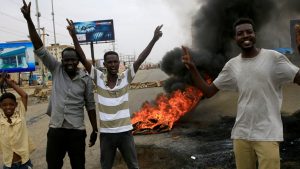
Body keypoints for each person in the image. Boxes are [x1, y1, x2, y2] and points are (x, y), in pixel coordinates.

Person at [181, 18, 300, 169]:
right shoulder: (232, 65)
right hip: (241, 134)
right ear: (235, 38)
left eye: (249, 32)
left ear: (254, 34)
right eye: (240, 33)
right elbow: (209, 91)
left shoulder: (273, 58)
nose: (245, 36)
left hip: (267, 134)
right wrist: (192, 68)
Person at [66, 19, 162, 169]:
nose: (112, 65)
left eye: (115, 62)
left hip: (125, 133)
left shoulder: (126, 78)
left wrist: (154, 39)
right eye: (109, 62)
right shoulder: (98, 78)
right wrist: (74, 37)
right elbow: (83, 58)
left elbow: (140, 59)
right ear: (104, 65)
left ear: (119, 63)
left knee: (133, 166)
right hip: (107, 135)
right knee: (106, 166)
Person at [21, 1, 98, 169]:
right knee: (53, 165)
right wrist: (28, 19)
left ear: (78, 61)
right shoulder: (56, 69)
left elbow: (90, 105)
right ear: (62, 60)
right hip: (56, 130)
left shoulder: (85, 79)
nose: (69, 62)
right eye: (66, 59)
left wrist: (95, 129)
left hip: (77, 131)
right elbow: (39, 47)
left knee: (79, 165)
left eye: (73, 59)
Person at [0, 73, 34, 169]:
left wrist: (10, 83)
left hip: (24, 163)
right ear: (0, 106)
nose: (8, 107)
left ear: (15, 105)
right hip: (8, 165)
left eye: (11, 104)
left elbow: (24, 96)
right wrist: (1, 81)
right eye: (4, 105)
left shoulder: (20, 114)